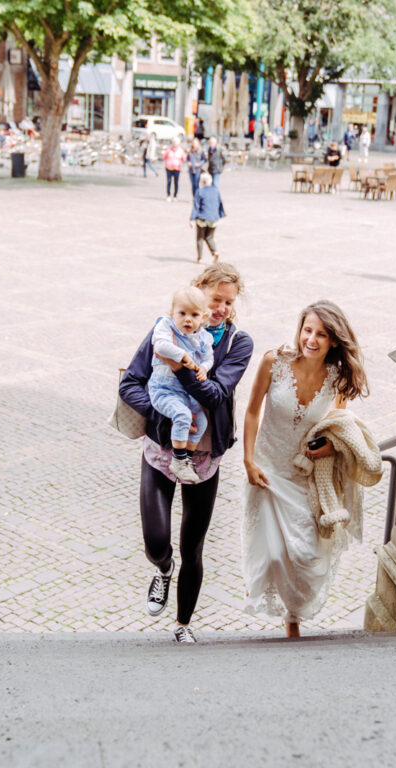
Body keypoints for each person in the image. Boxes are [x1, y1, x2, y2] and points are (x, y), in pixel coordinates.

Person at [119, 263, 254, 644]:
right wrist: (161, 411)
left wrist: (178, 366)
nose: (221, 309)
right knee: (156, 541)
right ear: (198, 291)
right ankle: (162, 570)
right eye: (215, 299)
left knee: (193, 546)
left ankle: (183, 625)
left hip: (204, 458)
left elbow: (215, 393)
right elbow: (130, 383)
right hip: (162, 450)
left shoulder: (236, 343)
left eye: (228, 302)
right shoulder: (164, 330)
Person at [242, 300, 376, 638]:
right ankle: (287, 615)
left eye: (321, 334)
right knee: (273, 553)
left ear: (333, 340)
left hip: (305, 476)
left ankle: (294, 611)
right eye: (307, 330)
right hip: (268, 469)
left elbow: (337, 425)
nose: (311, 339)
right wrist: (248, 460)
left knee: (306, 554)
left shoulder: (338, 378)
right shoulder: (274, 362)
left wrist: (331, 447)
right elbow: (252, 412)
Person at [148, 287, 215, 485]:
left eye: (194, 315)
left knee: (201, 421)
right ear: (173, 312)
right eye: (182, 313)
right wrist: (182, 355)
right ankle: (178, 461)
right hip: (163, 390)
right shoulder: (166, 326)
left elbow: (208, 357)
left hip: (186, 393)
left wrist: (203, 367)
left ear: (202, 317)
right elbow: (160, 347)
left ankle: (187, 459)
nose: (187, 319)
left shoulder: (202, 336)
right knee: (183, 415)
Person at [189, 172, 225, 263]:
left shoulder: (200, 191)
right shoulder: (216, 190)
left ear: (202, 182)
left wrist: (191, 219)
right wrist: (220, 214)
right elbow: (220, 203)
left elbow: (196, 207)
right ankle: (215, 251)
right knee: (210, 237)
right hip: (213, 218)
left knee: (200, 238)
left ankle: (200, 258)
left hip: (203, 217)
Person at [162, 137, 186, 201]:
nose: (175, 144)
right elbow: (164, 157)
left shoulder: (181, 150)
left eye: (177, 142)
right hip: (169, 168)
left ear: (179, 143)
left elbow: (184, 158)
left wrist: (180, 162)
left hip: (177, 168)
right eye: (174, 142)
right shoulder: (168, 149)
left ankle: (175, 196)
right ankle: (168, 195)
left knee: (176, 182)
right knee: (169, 182)